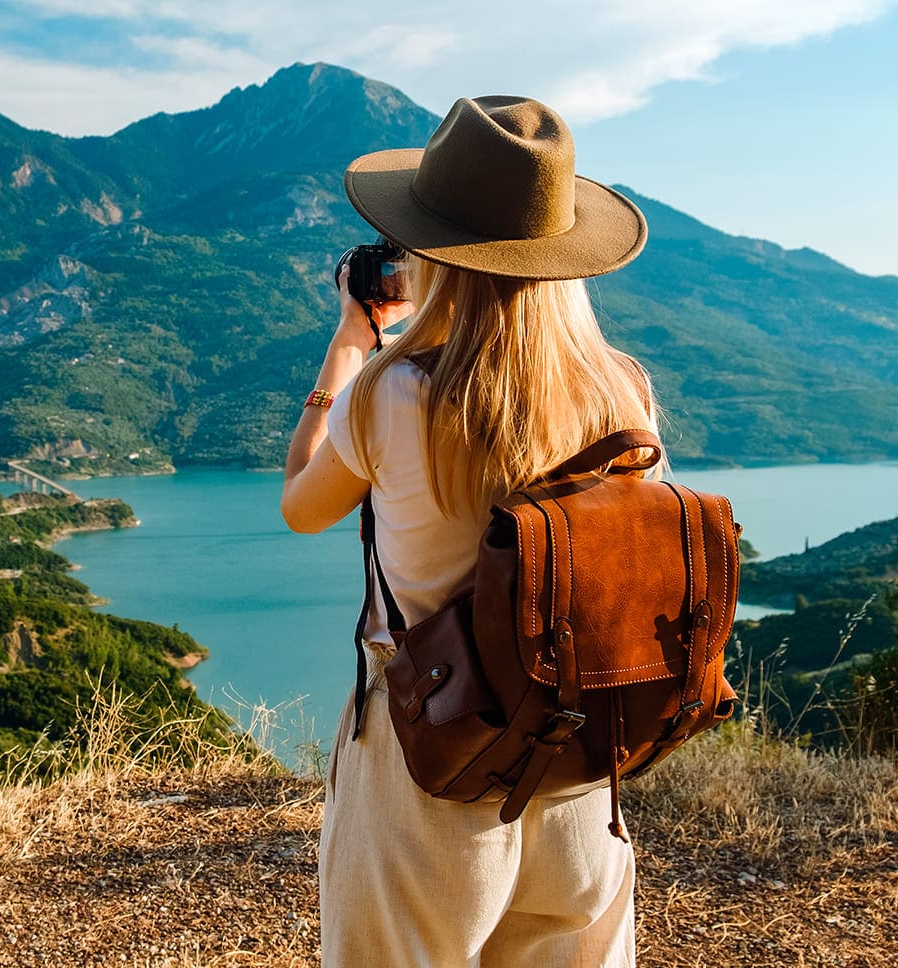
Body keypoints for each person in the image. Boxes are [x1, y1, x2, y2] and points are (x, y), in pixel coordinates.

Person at [280, 95, 658, 968]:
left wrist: (350, 345)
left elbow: (302, 504)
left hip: (429, 763)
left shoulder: (394, 391)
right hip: (575, 769)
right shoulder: (622, 393)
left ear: (430, 252)